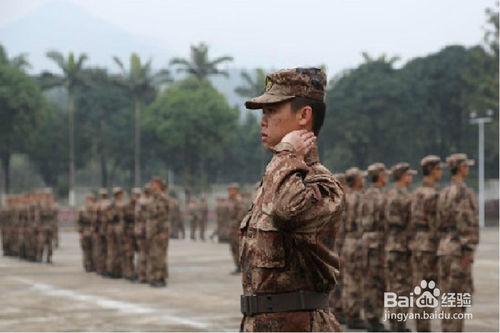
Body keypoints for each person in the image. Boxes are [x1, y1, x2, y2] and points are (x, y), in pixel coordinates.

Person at [240, 68, 345, 331]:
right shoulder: (278, 177)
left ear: (303, 116)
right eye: (263, 113)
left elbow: (286, 211)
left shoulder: (321, 183)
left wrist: (286, 154)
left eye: (272, 110)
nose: (263, 120)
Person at [437, 153, 479, 332]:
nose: (468, 169)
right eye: (466, 166)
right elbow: (465, 221)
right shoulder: (463, 192)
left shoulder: (445, 192)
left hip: (445, 248)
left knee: (448, 297)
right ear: (461, 168)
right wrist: (469, 250)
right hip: (458, 251)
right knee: (457, 299)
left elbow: (439, 222)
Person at [410, 155, 443, 331]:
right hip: (429, 245)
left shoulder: (416, 192)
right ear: (431, 170)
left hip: (417, 243)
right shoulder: (432, 195)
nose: (441, 172)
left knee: (419, 287)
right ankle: (424, 327)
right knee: (428, 289)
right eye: (438, 169)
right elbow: (436, 223)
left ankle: (421, 326)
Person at [384, 162, 416, 332]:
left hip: (393, 245)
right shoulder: (403, 197)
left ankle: (394, 320)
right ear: (403, 176)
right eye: (409, 175)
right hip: (402, 246)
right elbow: (407, 221)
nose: (411, 178)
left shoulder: (390, 194)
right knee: (402, 287)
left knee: (394, 285)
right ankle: (399, 323)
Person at [341, 167, 366, 329]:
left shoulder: (343, 197)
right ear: (356, 180)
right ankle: (353, 314)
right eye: (361, 178)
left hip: (346, 240)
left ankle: (348, 312)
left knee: (348, 279)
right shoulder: (357, 198)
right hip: (356, 240)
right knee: (356, 280)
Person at [147, 177, 171, 287]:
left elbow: (163, 216)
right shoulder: (153, 198)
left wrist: (162, 232)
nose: (151, 187)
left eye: (153, 185)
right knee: (154, 255)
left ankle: (159, 278)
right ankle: (157, 277)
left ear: (158, 185)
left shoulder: (163, 198)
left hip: (160, 230)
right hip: (153, 231)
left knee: (159, 255)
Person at [226, 183, 245, 274]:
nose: (229, 192)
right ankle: (237, 266)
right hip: (232, 228)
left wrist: (236, 224)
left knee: (238, 247)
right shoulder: (231, 201)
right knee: (233, 247)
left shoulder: (238, 200)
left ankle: (241, 266)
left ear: (236, 191)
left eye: (231, 190)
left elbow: (241, 215)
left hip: (237, 227)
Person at [77, 194, 96, 272]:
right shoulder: (81, 210)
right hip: (85, 231)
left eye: (91, 200)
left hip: (93, 231)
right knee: (86, 250)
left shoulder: (95, 209)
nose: (89, 202)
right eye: (88, 200)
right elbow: (79, 222)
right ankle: (87, 265)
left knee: (94, 250)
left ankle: (93, 265)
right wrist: (80, 233)